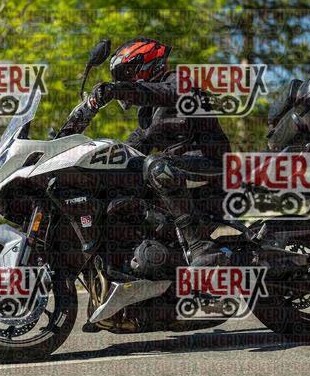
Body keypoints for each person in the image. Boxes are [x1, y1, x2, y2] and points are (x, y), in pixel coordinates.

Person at [86, 38, 232, 268]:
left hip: (212, 168)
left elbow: (167, 93)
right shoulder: (149, 114)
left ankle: (201, 247)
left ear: (147, 64)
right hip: (183, 174)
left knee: (156, 166)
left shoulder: (179, 83)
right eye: (120, 77)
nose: (123, 80)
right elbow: (132, 147)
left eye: (126, 74)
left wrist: (118, 90)